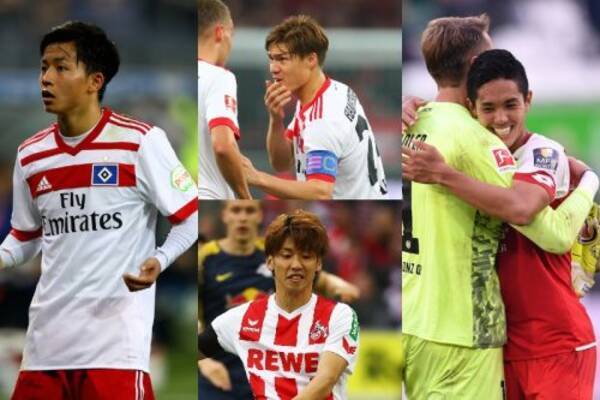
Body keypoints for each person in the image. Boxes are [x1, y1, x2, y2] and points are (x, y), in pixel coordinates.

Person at [400, 15, 598, 399]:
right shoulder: (476, 140)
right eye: (490, 107)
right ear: (476, 68)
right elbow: (547, 227)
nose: (501, 118)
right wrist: (590, 181)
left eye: (511, 105)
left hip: (543, 338)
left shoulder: (417, 124)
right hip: (465, 332)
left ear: (527, 101)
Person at [1, 21, 198, 399]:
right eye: (44, 67)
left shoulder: (140, 142)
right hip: (45, 347)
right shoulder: (31, 155)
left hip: (115, 350)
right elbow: (25, 237)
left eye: (61, 67)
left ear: (95, 81)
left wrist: (159, 259)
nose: (46, 78)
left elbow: (188, 218)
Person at [198, 200, 360, 399]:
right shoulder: (241, 317)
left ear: (318, 264)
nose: (296, 265)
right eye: (287, 255)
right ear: (270, 262)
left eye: (306, 256)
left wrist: (339, 285)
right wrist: (205, 363)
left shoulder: (340, 316)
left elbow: (325, 380)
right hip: (224, 379)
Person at [242, 15, 389, 200]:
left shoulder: (323, 118)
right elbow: (281, 163)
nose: (273, 68)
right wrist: (276, 119)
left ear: (311, 59)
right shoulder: (333, 90)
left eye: (282, 59)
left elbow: (320, 191)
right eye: (271, 59)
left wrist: (257, 178)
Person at [198, 0, 251, 199]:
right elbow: (223, 145)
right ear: (220, 33)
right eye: (232, 33)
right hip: (208, 195)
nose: (232, 43)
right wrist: (245, 196)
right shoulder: (219, 77)